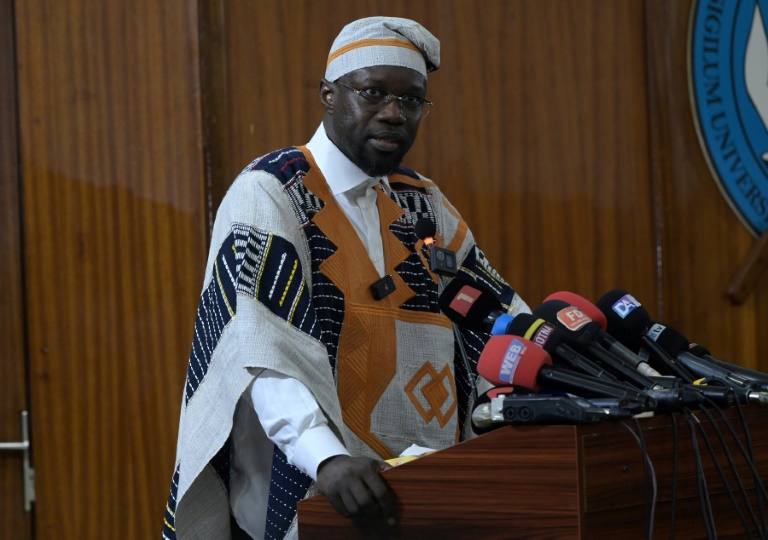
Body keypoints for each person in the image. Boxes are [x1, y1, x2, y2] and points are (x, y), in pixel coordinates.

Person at [163, 16, 530, 540]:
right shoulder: (272, 192)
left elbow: (496, 317)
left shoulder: (421, 201)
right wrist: (326, 457)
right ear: (329, 94)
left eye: (411, 101)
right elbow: (264, 351)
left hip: (423, 491)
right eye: (373, 92)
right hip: (313, 488)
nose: (393, 113)